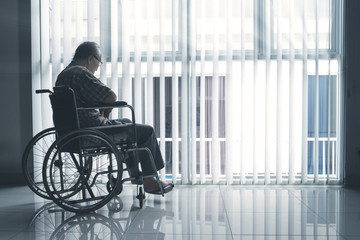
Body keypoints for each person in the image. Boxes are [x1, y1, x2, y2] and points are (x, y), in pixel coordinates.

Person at [55, 41, 173, 194]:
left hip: (71, 131)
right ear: (91, 58)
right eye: (99, 62)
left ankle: (133, 173)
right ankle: (150, 181)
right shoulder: (80, 73)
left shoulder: (63, 75)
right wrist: (106, 111)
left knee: (128, 124)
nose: (98, 67)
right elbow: (111, 96)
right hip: (92, 131)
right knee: (147, 131)